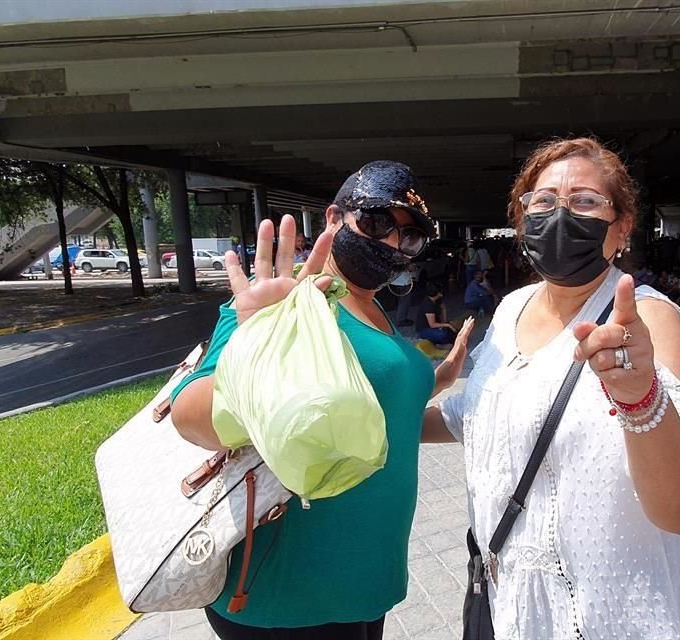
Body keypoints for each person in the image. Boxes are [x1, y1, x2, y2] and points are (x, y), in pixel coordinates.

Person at [422, 137, 680, 640]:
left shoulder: (650, 321)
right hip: (510, 608)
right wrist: (383, 403)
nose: (560, 215)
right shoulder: (510, 310)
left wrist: (642, 400)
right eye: (543, 202)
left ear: (623, 227)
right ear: (522, 221)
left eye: (585, 201)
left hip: (619, 615)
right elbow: (475, 416)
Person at [170, 161, 473, 640]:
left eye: (409, 237)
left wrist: (438, 385)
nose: (392, 242)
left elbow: (365, 409)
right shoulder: (288, 303)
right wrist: (252, 329)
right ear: (334, 218)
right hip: (291, 589)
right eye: (377, 222)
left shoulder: (376, 309)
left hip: (364, 577)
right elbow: (192, 419)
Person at [415, 281, 456, 345]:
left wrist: (444, 322)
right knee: (443, 334)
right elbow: (432, 324)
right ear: (438, 293)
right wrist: (447, 325)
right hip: (425, 329)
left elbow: (443, 308)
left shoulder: (437, 299)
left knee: (451, 328)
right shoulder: (428, 305)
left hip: (435, 325)